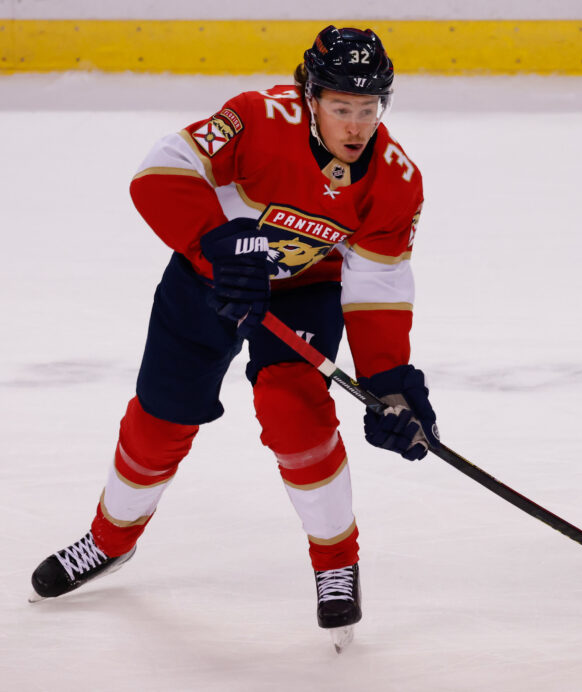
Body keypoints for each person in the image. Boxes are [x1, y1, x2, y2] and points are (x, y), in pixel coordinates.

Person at [29, 25, 440, 645]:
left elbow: (378, 289)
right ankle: (109, 543)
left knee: (294, 410)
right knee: (162, 414)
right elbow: (160, 169)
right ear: (310, 97)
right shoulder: (254, 118)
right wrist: (216, 243)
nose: (356, 126)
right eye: (341, 108)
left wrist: (389, 383)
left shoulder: (396, 182)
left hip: (304, 294)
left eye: (368, 108)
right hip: (205, 283)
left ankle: (336, 564)